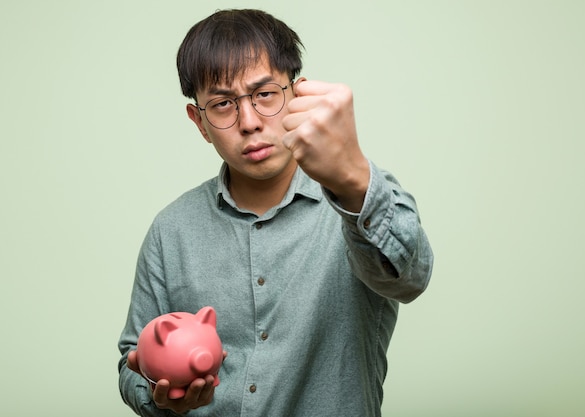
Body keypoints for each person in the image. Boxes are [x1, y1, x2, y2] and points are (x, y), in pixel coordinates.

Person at [118, 8, 433, 417]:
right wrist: (159, 394)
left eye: (265, 94)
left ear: (296, 95)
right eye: (222, 104)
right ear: (199, 122)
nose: (248, 121)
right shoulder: (171, 229)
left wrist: (354, 177)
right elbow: (132, 357)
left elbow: (412, 278)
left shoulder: (360, 199)